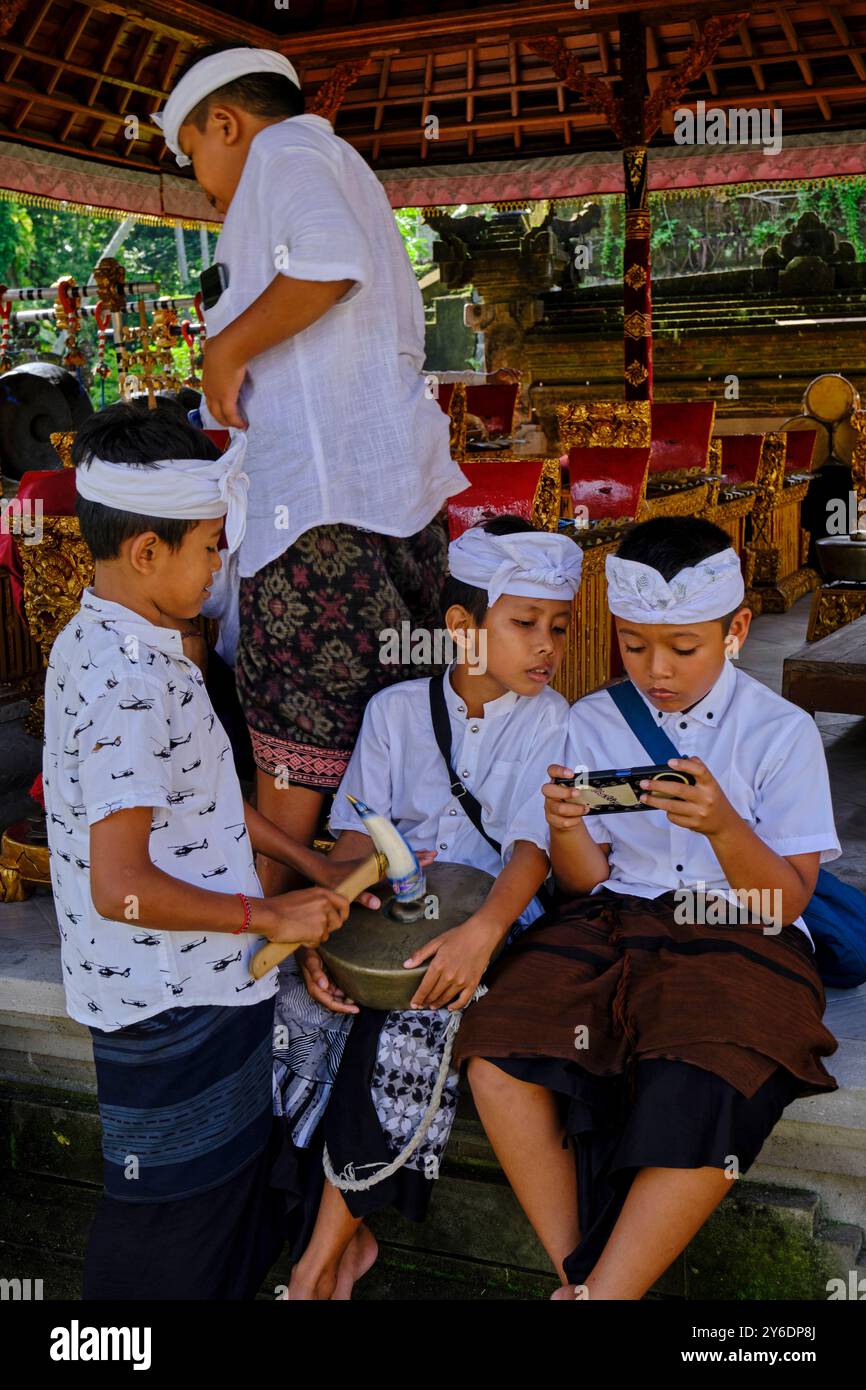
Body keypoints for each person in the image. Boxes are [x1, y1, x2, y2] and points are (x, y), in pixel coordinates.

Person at [454, 515, 840, 1300]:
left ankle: (606, 1291)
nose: (655, 669)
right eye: (634, 644)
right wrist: (565, 829)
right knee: (497, 1050)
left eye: (683, 648)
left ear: (737, 630)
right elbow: (582, 884)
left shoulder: (781, 733)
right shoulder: (592, 719)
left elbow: (785, 898)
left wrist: (726, 827)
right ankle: (585, 1279)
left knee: (703, 1069)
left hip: (742, 924)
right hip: (615, 918)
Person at [44, 399, 377, 1300]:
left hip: (201, 984)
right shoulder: (127, 682)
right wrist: (270, 912)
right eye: (210, 546)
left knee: (220, 1204)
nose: (220, 565)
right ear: (146, 552)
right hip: (167, 997)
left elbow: (209, 796)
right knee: (168, 1231)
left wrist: (314, 866)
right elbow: (122, 888)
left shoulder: (117, 640)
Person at [153, 43, 469, 890]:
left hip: (321, 518)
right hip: (387, 499)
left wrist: (228, 348)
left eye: (194, 159)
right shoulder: (340, 162)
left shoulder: (283, 154)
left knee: (298, 735)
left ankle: (269, 930)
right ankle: (368, 924)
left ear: (226, 123)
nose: (203, 186)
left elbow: (329, 264)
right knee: (387, 722)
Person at [271, 518, 583, 1299]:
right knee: (296, 1014)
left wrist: (481, 935)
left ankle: (316, 1268)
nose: (546, 644)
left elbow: (529, 850)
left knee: (407, 1023)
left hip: (495, 929)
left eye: (558, 626)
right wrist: (322, 940)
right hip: (387, 920)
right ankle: (344, 1245)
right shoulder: (396, 711)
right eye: (524, 624)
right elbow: (353, 838)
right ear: (461, 628)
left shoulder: (555, 721)